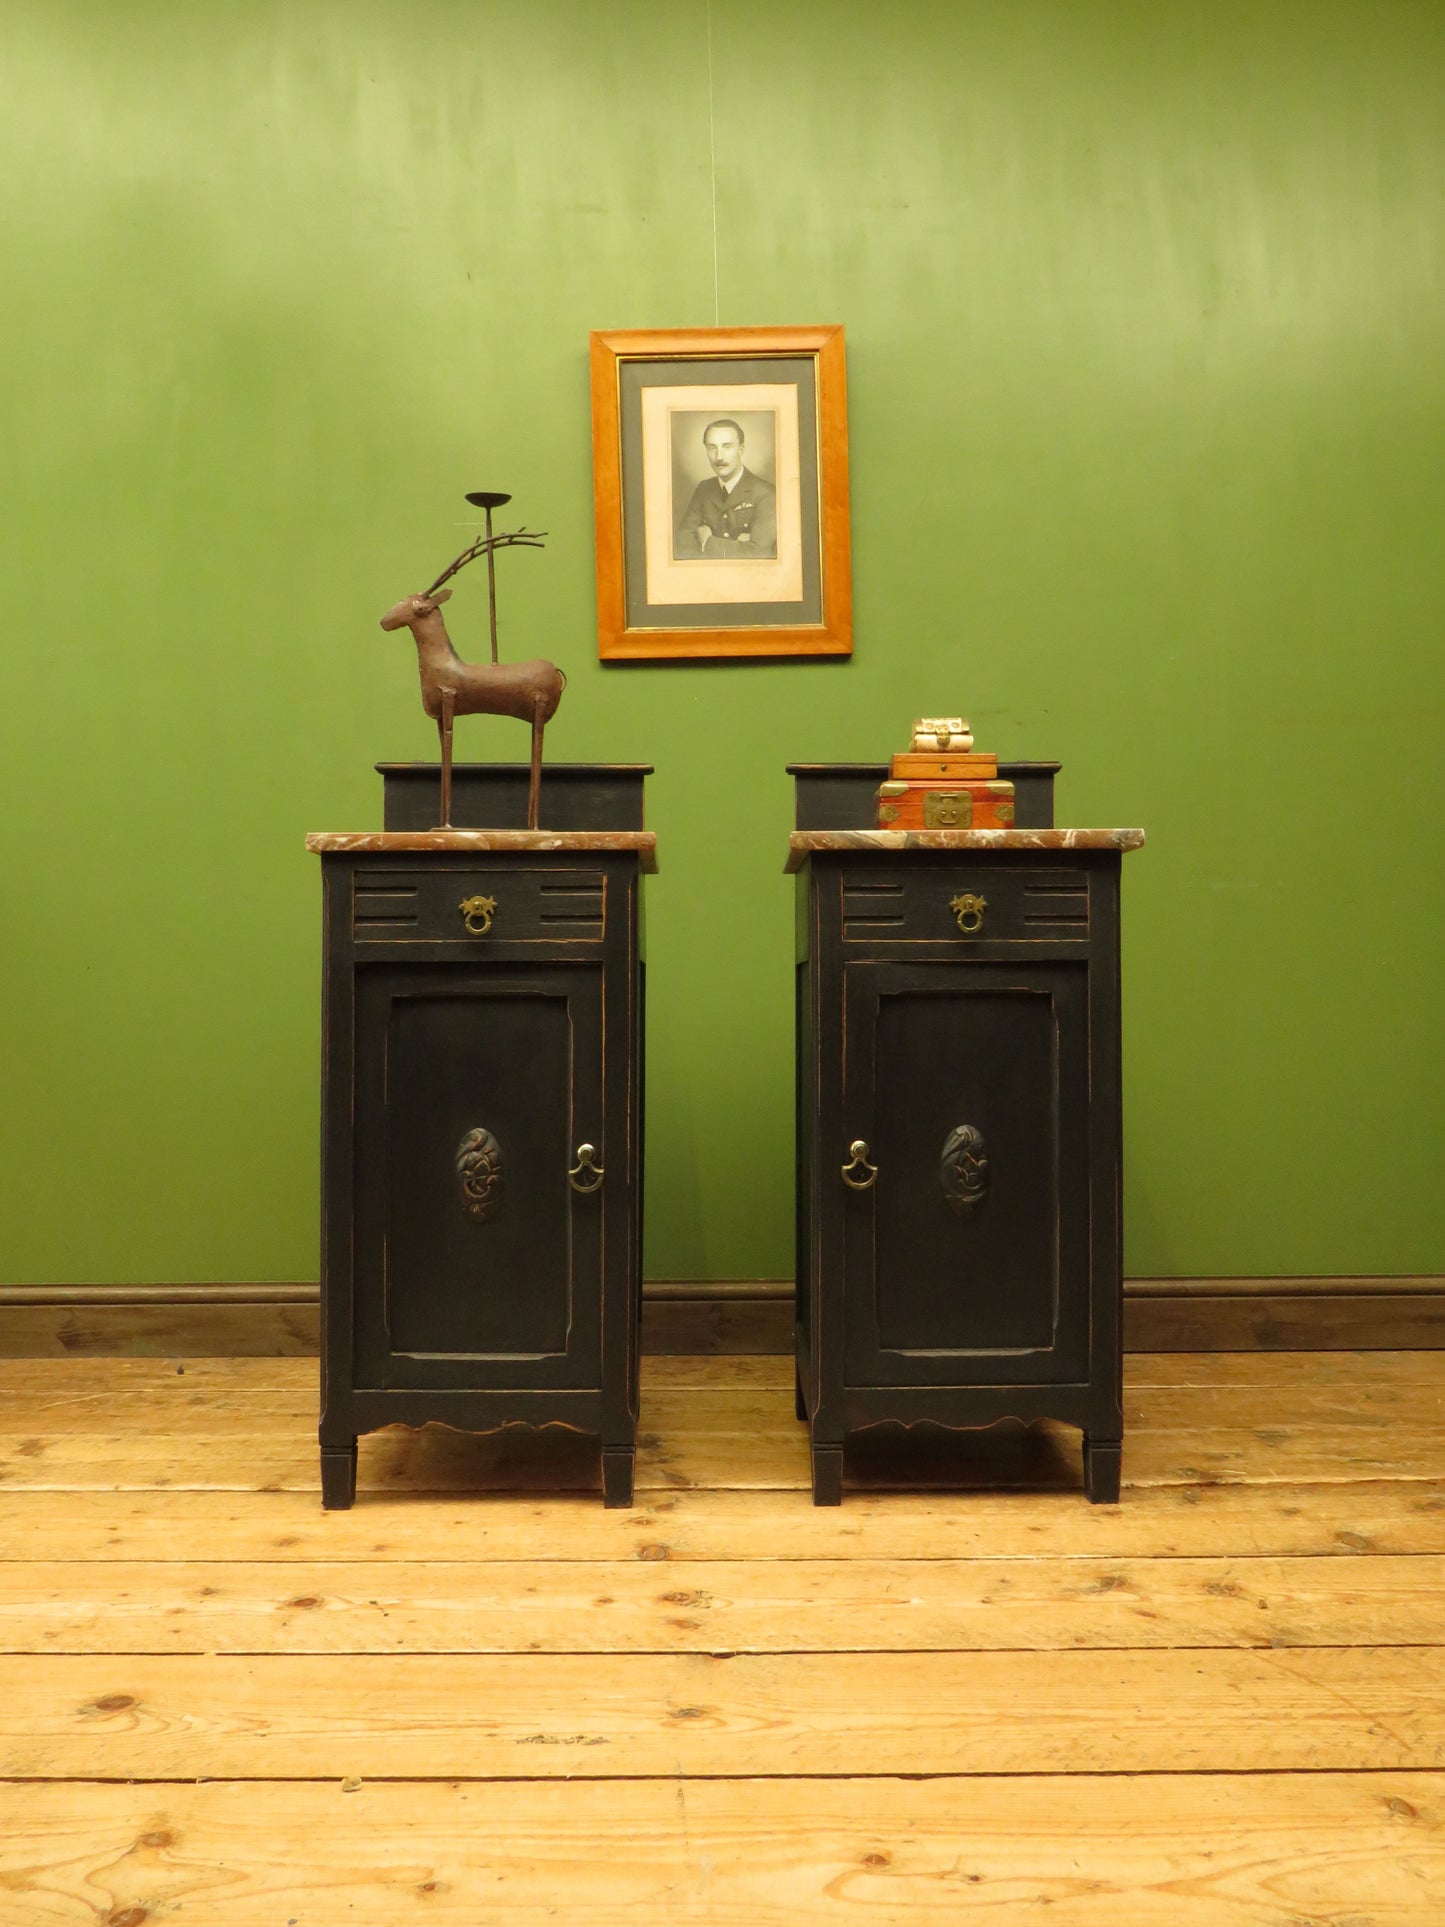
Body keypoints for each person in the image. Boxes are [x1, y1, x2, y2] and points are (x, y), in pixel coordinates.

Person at [674, 419, 777, 558]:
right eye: (712, 447)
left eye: (727, 447)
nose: (719, 456)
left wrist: (707, 542)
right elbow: (682, 545)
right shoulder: (703, 488)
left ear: (741, 450)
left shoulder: (766, 493)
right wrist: (738, 547)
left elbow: (758, 552)